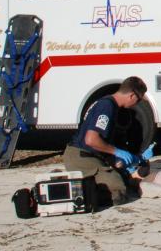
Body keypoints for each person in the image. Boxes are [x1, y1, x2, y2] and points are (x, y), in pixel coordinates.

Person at [63, 76, 149, 206]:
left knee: (121, 175)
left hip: (89, 155)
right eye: (138, 100)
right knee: (118, 189)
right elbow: (91, 139)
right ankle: (77, 191)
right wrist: (116, 152)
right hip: (81, 156)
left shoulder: (111, 106)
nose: (136, 104)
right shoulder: (107, 106)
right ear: (132, 95)